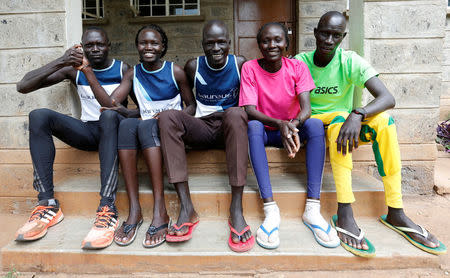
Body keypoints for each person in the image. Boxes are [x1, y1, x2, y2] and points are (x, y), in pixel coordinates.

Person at [295, 11, 446, 256]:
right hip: (313, 127)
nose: (329, 40)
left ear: (342, 37)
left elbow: (387, 98)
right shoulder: (300, 61)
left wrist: (359, 113)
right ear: (315, 33)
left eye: (336, 35)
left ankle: (396, 211)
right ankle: (345, 212)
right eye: (324, 33)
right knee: (338, 119)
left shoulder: (349, 61)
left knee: (385, 122)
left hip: (344, 125)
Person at [15, 27, 133, 250]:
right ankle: (47, 204)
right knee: (38, 116)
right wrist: (62, 61)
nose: (95, 49)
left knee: (109, 116)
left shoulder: (122, 69)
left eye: (100, 44)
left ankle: (107, 207)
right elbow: (23, 86)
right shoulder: (75, 70)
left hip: (115, 134)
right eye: (89, 46)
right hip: (88, 132)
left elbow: (136, 107)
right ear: (82, 48)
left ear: (109, 46)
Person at [239, 22, 339, 250]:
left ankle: (313, 209)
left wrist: (291, 126)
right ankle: (270, 209)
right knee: (252, 126)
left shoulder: (297, 68)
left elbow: (306, 109)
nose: (271, 44)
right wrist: (279, 124)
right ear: (259, 45)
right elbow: (250, 110)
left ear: (287, 43)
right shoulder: (250, 68)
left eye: (277, 40)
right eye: (265, 40)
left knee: (313, 125)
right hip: (267, 131)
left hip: (292, 131)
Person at [158, 20, 254, 252]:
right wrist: (174, 122)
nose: (216, 48)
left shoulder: (240, 64)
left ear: (230, 43)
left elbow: (248, 103)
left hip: (230, 128)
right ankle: (186, 206)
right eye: (210, 43)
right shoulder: (193, 66)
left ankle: (236, 209)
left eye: (221, 42)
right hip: (202, 126)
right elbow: (190, 105)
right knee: (168, 116)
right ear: (202, 45)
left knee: (234, 113)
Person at [100, 24, 195, 248]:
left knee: (143, 126)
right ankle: (135, 210)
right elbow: (111, 102)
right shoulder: (133, 73)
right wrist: (120, 108)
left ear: (163, 47)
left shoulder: (176, 71)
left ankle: (160, 210)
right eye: (143, 43)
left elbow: (191, 106)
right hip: (146, 127)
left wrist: (172, 117)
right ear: (137, 47)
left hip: (169, 131)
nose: (148, 47)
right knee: (126, 126)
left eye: (154, 43)